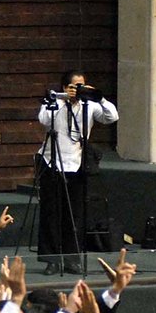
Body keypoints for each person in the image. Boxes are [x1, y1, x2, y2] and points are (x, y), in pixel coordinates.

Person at [36, 70, 118, 272]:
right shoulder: (54, 101)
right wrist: (63, 100)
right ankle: (53, 260)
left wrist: (98, 97)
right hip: (52, 163)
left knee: (76, 215)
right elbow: (44, 120)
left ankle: (73, 258)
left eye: (82, 85)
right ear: (66, 87)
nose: (79, 89)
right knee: (52, 213)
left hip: (77, 164)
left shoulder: (89, 105)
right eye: (75, 86)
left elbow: (111, 116)